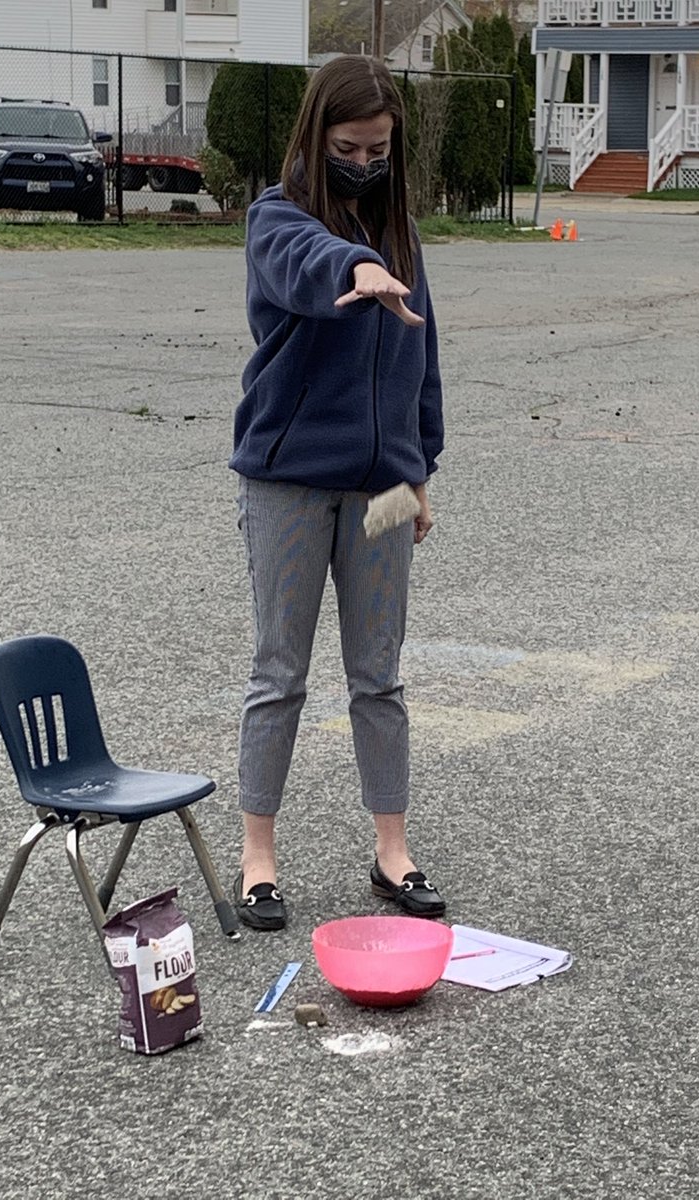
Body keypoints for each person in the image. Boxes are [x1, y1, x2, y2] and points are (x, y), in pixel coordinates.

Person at [229, 54, 445, 931]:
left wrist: (420, 469)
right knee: (280, 672)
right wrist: (355, 268)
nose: (365, 159)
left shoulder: (400, 232)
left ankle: (392, 855)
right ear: (318, 138)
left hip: (383, 491)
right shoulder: (276, 219)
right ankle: (258, 861)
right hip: (286, 482)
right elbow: (303, 261)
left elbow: (424, 358)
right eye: (350, 146)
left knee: (380, 676)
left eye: (380, 146)